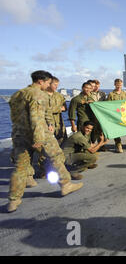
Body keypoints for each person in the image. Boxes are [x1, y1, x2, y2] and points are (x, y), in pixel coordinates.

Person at [8, 70, 83, 212]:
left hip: (19, 134)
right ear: (40, 81)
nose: (49, 85)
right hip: (39, 133)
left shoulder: (17, 94)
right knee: (56, 157)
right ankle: (66, 184)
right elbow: (36, 117)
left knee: (20, 167)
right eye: (48, 82)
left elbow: (15, 117)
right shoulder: (38, 94)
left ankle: (13, 200)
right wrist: (38, 138)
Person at [36, 76, 68, 178]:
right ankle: (44, 170)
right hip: (46, 125)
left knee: (62, 144)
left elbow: (65, 108)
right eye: (54, 84)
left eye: (57, 85)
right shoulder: (41, 96)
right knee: (44, 149)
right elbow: (43, 110)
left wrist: (55, 109)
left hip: (59, 124)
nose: (56, 87)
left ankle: (61, 167)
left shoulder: (59, 96)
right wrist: (58, 109)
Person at [106, 78, 126, 153]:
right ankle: (118, 145)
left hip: (124, 114)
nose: (119, 86)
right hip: (115, 114)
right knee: (116, 130)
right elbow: (109, 105)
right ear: (114, 85)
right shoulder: (111, 94)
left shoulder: (125, 94)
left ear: (122, 85)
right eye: (117, 84)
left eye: (120, 84)